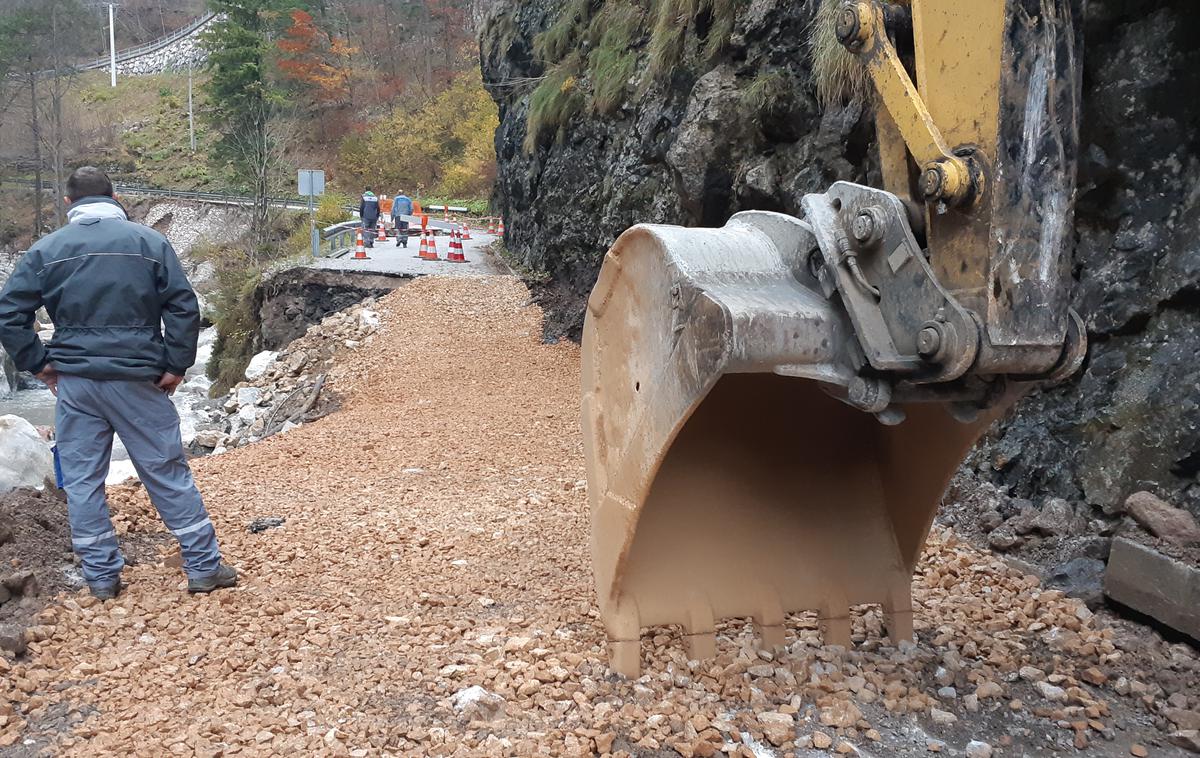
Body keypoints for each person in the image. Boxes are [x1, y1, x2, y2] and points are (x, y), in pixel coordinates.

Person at [0, 167, 238, 600]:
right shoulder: (149, 242)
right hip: (138, 379)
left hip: (76, 383)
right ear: (115, 198)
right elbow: (183, 307)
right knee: (165, 472)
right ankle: (203, 568)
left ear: (69, 204)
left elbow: (9, 315)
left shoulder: (46, 250)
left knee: (82, 479)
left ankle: (102, 578)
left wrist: (40, 365)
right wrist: (177, 362)